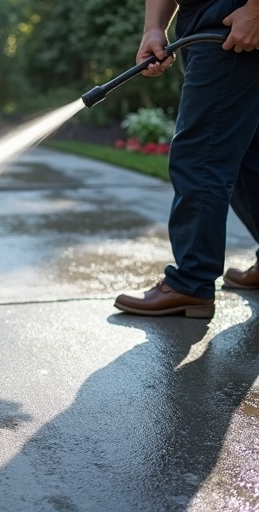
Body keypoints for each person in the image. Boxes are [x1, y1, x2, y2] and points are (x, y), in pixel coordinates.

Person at [114, 0, 259, 318]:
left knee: (200, 156)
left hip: (232, 18)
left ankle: (191, 283)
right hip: (208, 22)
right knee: (247, 158)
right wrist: (154, 27)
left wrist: (254, 11)